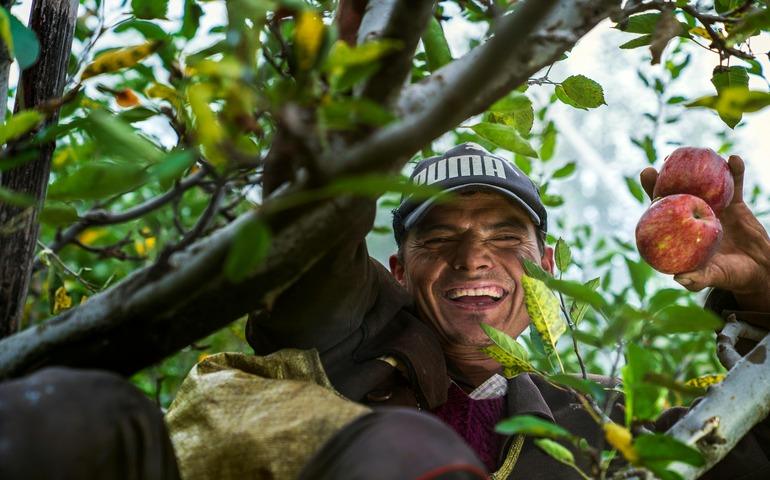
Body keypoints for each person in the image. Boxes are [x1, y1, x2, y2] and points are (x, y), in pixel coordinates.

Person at [244, 143, 770, 478]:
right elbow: (309, 251)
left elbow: (751, 451)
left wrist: (765, 300)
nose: (473, 259)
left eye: (504, 237)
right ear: (399, 272)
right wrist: (353, 124)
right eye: (440, 237)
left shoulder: (601, 424)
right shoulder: (340, 355)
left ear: (543, 267)